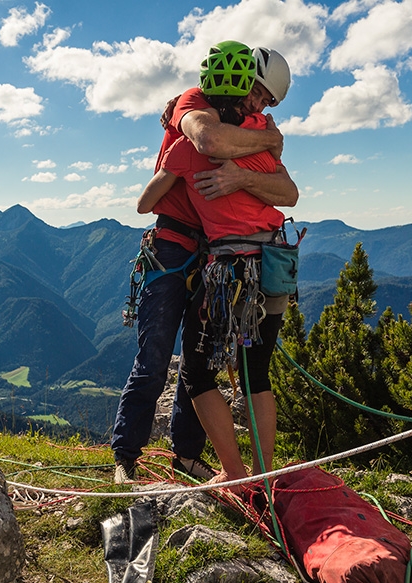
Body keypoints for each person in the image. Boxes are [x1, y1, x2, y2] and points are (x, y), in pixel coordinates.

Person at [110, 44, 289, 486]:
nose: (260, 106)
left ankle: (188, 457)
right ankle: (126, 457)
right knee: (158, 360)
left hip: (215, 254)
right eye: (259, 95)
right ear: (244, 80)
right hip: (180, 246)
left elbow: (282, 186)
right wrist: (269, 139)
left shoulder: (245, 131)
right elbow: (208, 140)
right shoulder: (194, 106)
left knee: (198, 360)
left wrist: (243, 171)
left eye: (268, 103)